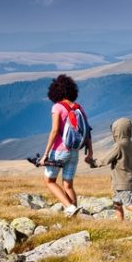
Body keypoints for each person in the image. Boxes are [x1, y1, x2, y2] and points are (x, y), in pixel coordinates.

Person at [38, 74, 92, 217]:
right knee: (68, 184)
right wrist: (90, 152)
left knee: (49, 180)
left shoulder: (57, 107)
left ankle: (69, 207)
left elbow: (55, 130)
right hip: (74, 151)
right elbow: (87, 131)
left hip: (60, 151)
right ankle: (76, 215)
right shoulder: (79, 108)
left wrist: (45, 155)